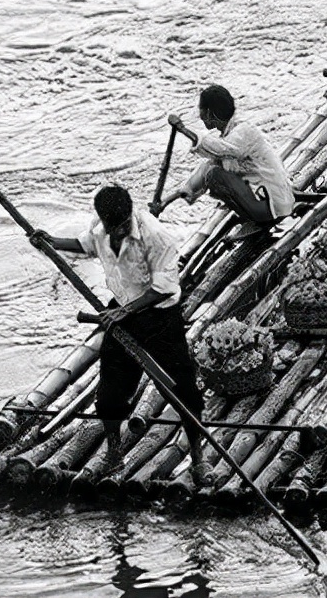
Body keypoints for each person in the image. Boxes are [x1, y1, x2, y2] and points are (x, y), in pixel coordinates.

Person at [30, 185, 213, 486]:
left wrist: (126, 313)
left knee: (182, 390)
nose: (118, 232)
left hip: (158, 317)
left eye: (123, 225)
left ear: (130, 214)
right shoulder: (101, 230)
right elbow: (86, 245)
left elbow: (165, 287)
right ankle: (114, 451)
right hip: (123, 311)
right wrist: (51, 243)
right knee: (111, 392)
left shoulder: (155, 237)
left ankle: (197, 457)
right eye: (112, 227)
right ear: (104, 220)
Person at [154, 84, 294, 237]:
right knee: (209, 168)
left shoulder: (243, 131)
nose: (199, 114)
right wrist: (164, 203)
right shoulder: (229, 135)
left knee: (215, 175)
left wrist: (183, 129)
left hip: (275, 206)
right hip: (269, 202)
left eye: (200, 109)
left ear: (208, 112)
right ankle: (256, 217)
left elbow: (222, 149)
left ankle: (259, 220)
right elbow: (201, 173)